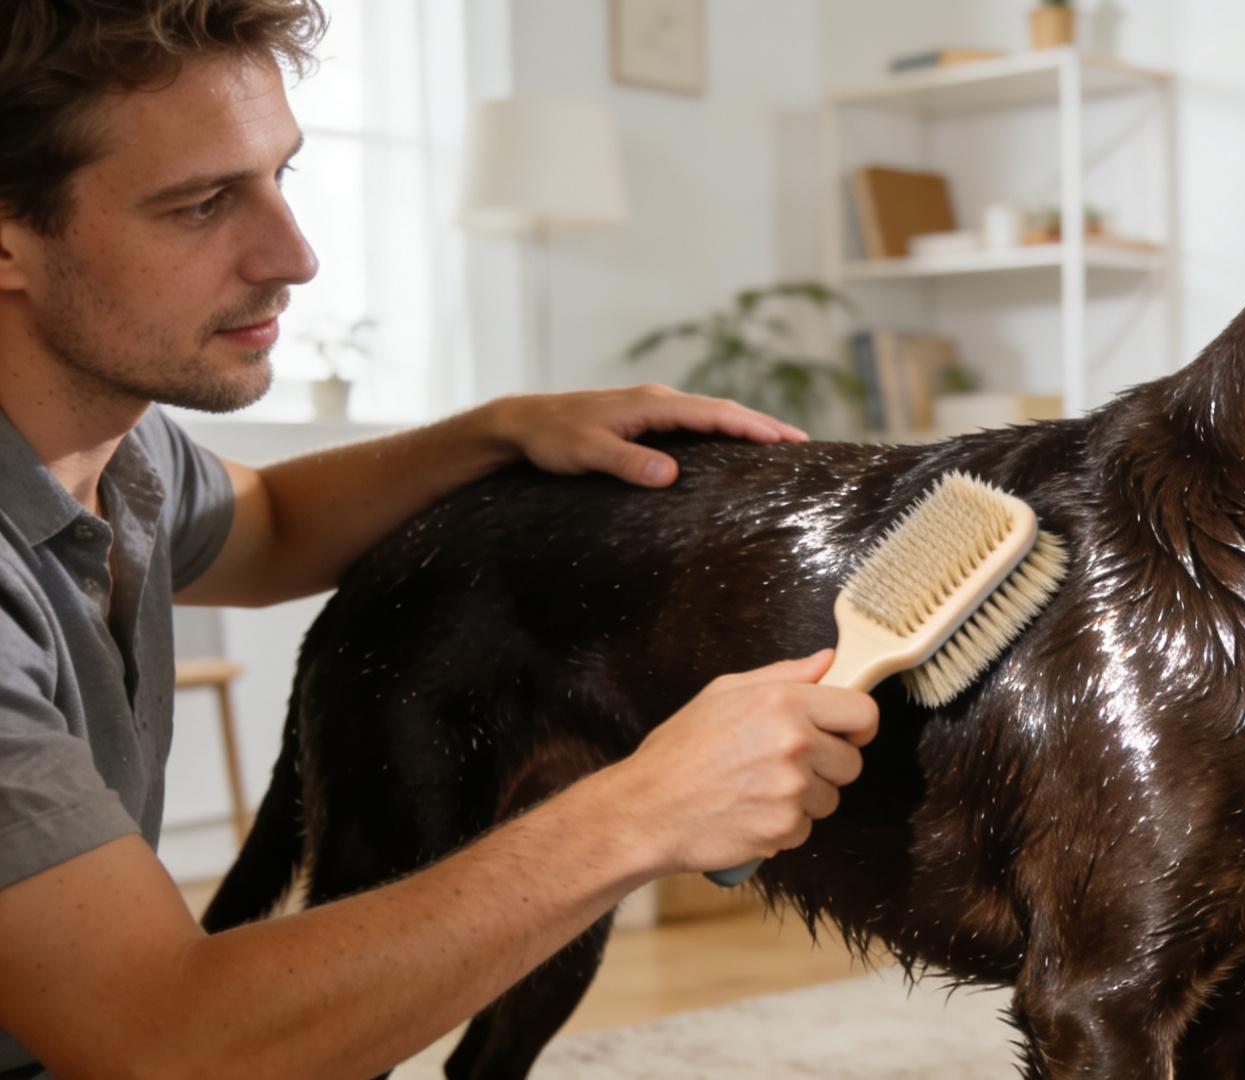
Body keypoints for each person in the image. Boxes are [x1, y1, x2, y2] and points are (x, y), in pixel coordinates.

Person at [0, 2, 879, 1075]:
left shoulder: (116, 455)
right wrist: (644, 812)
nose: (295, 253)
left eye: (281, 174)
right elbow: (170, 1045)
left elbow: (272, 527)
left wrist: (496, 428)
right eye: (199, 206)